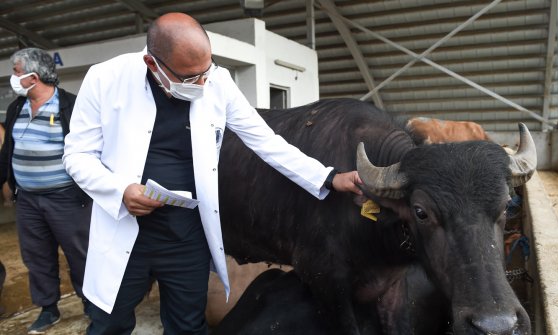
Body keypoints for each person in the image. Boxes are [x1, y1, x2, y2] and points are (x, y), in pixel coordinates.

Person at [62, 12, 362, 335]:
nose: (204, 83)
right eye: (191, 78)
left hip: (186, 232)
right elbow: (76, 155)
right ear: (153, 65)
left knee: (188, 325)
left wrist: (328, 177)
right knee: (110, 324)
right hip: (124, 226)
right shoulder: (105, 79)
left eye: (208, 70)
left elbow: (267, 142)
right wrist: (119, 189)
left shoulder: (217, 82)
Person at [0, 48, 92, 334]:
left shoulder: (71, 106)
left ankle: (93, 306)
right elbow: (9, 151)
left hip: (66, 197)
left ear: (33, 76)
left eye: (16, 71)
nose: (12, 77)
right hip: (28, 199)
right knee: (37, 257)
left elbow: (90, 150)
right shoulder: (17, 107)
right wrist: (7, 185)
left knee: (81, 255)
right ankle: (48, 308)